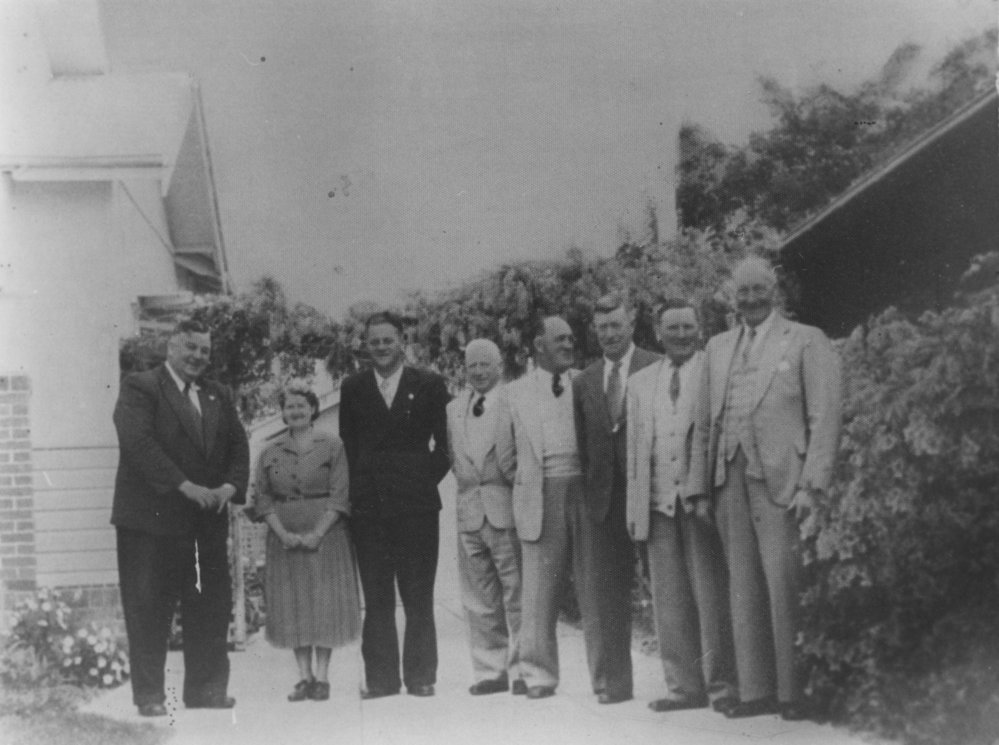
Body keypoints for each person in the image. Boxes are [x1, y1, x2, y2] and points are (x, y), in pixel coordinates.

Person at [689, 257, 842, 721]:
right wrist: (699, 488)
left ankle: (794, 693)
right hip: (728, 477)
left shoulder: (805, 340)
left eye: (759, 290)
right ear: (730, 298)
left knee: (783, 583)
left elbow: (824, 416)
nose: (751, 300)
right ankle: (756, 691)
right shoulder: (717, 347)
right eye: (742, 292)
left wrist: (811, 485)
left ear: (774, 291)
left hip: (782, 479)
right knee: (743, 586)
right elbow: (702, 422)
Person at [111, 319, 249, 717]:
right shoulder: (142, 387)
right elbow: (137, 442)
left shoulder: (217, 393)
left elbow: (238, 449)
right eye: (190, 347)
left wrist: (227, 489)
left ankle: (206, 690)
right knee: (149, 608)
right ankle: (151, 696)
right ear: (171, 346)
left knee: (209, 605)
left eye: (204, 350)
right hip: (151, 522)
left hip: (205, 524)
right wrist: (184, 485)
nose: (197, 357)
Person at [626, 299, 737, 714]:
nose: (682, 335)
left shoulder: (715, 371)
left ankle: (723, 687)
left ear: (700, 329)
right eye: (672, 328)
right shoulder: (640, 383)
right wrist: (635, 512)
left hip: (699, 503)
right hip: (657, 505)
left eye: (688, 327)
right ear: (658, 333)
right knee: (668, 602)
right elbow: (636, 452)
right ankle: (682, 688)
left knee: (711, 599)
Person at [338, 311, 451, 699]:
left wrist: (419, 479)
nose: (382, 348)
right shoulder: (353, 387)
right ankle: (382, 679)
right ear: (366, 346)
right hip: (370, 510)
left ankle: (421, 676)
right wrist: (360, 491)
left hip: (417, 507)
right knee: (377, 596)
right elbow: (348, 449)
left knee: (418, 595)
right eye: (375, 342)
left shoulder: (431, 384)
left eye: (388, 340)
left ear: (402, 342)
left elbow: (446, 446)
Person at [495, 315, 591, 700]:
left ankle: (603, 678)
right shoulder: (514, 393)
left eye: (571, 338)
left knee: (592, 585)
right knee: (537, 591)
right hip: (540, 494)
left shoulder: (587, 382)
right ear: (539, 345)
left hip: (583, 491)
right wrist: (532, 483)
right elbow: (505, 457)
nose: (569, 345)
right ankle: (536, 674)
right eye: (560, 339)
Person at [571, 293, 660, 704]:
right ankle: (614, 686)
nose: (608, 333)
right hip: (603, 503)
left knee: (670, 588)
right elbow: (583, 445)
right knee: (606, 597)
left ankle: (689, 683)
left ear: (632, 323)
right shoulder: (584, 380)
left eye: (616, 325)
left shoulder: (655, 365)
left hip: (651, 496)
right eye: (601, 326)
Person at [253, 384, 361, 702]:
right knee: (293, 605)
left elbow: (341, 495)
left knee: (322, 602)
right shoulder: (270, 452)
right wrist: (283, 533)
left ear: (313, 409)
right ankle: (304, 677)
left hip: (327, 534)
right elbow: (262, 498)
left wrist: (318, 532)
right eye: (289, 407)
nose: (296, 411)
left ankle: (323, 678)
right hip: (283, 535)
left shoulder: (331, 445)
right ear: (283, 413)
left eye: (302, 405)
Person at [446, 339, 525, 696]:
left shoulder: (515, 401)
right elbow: (454, 458)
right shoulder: (453, 409)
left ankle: (524, 668)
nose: (477, 371)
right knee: (478, 599)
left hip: (506, 509)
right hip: (469, 513)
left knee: (517, 593)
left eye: (484, 364)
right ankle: (490, 671)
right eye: (471, 365)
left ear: (499, 366)